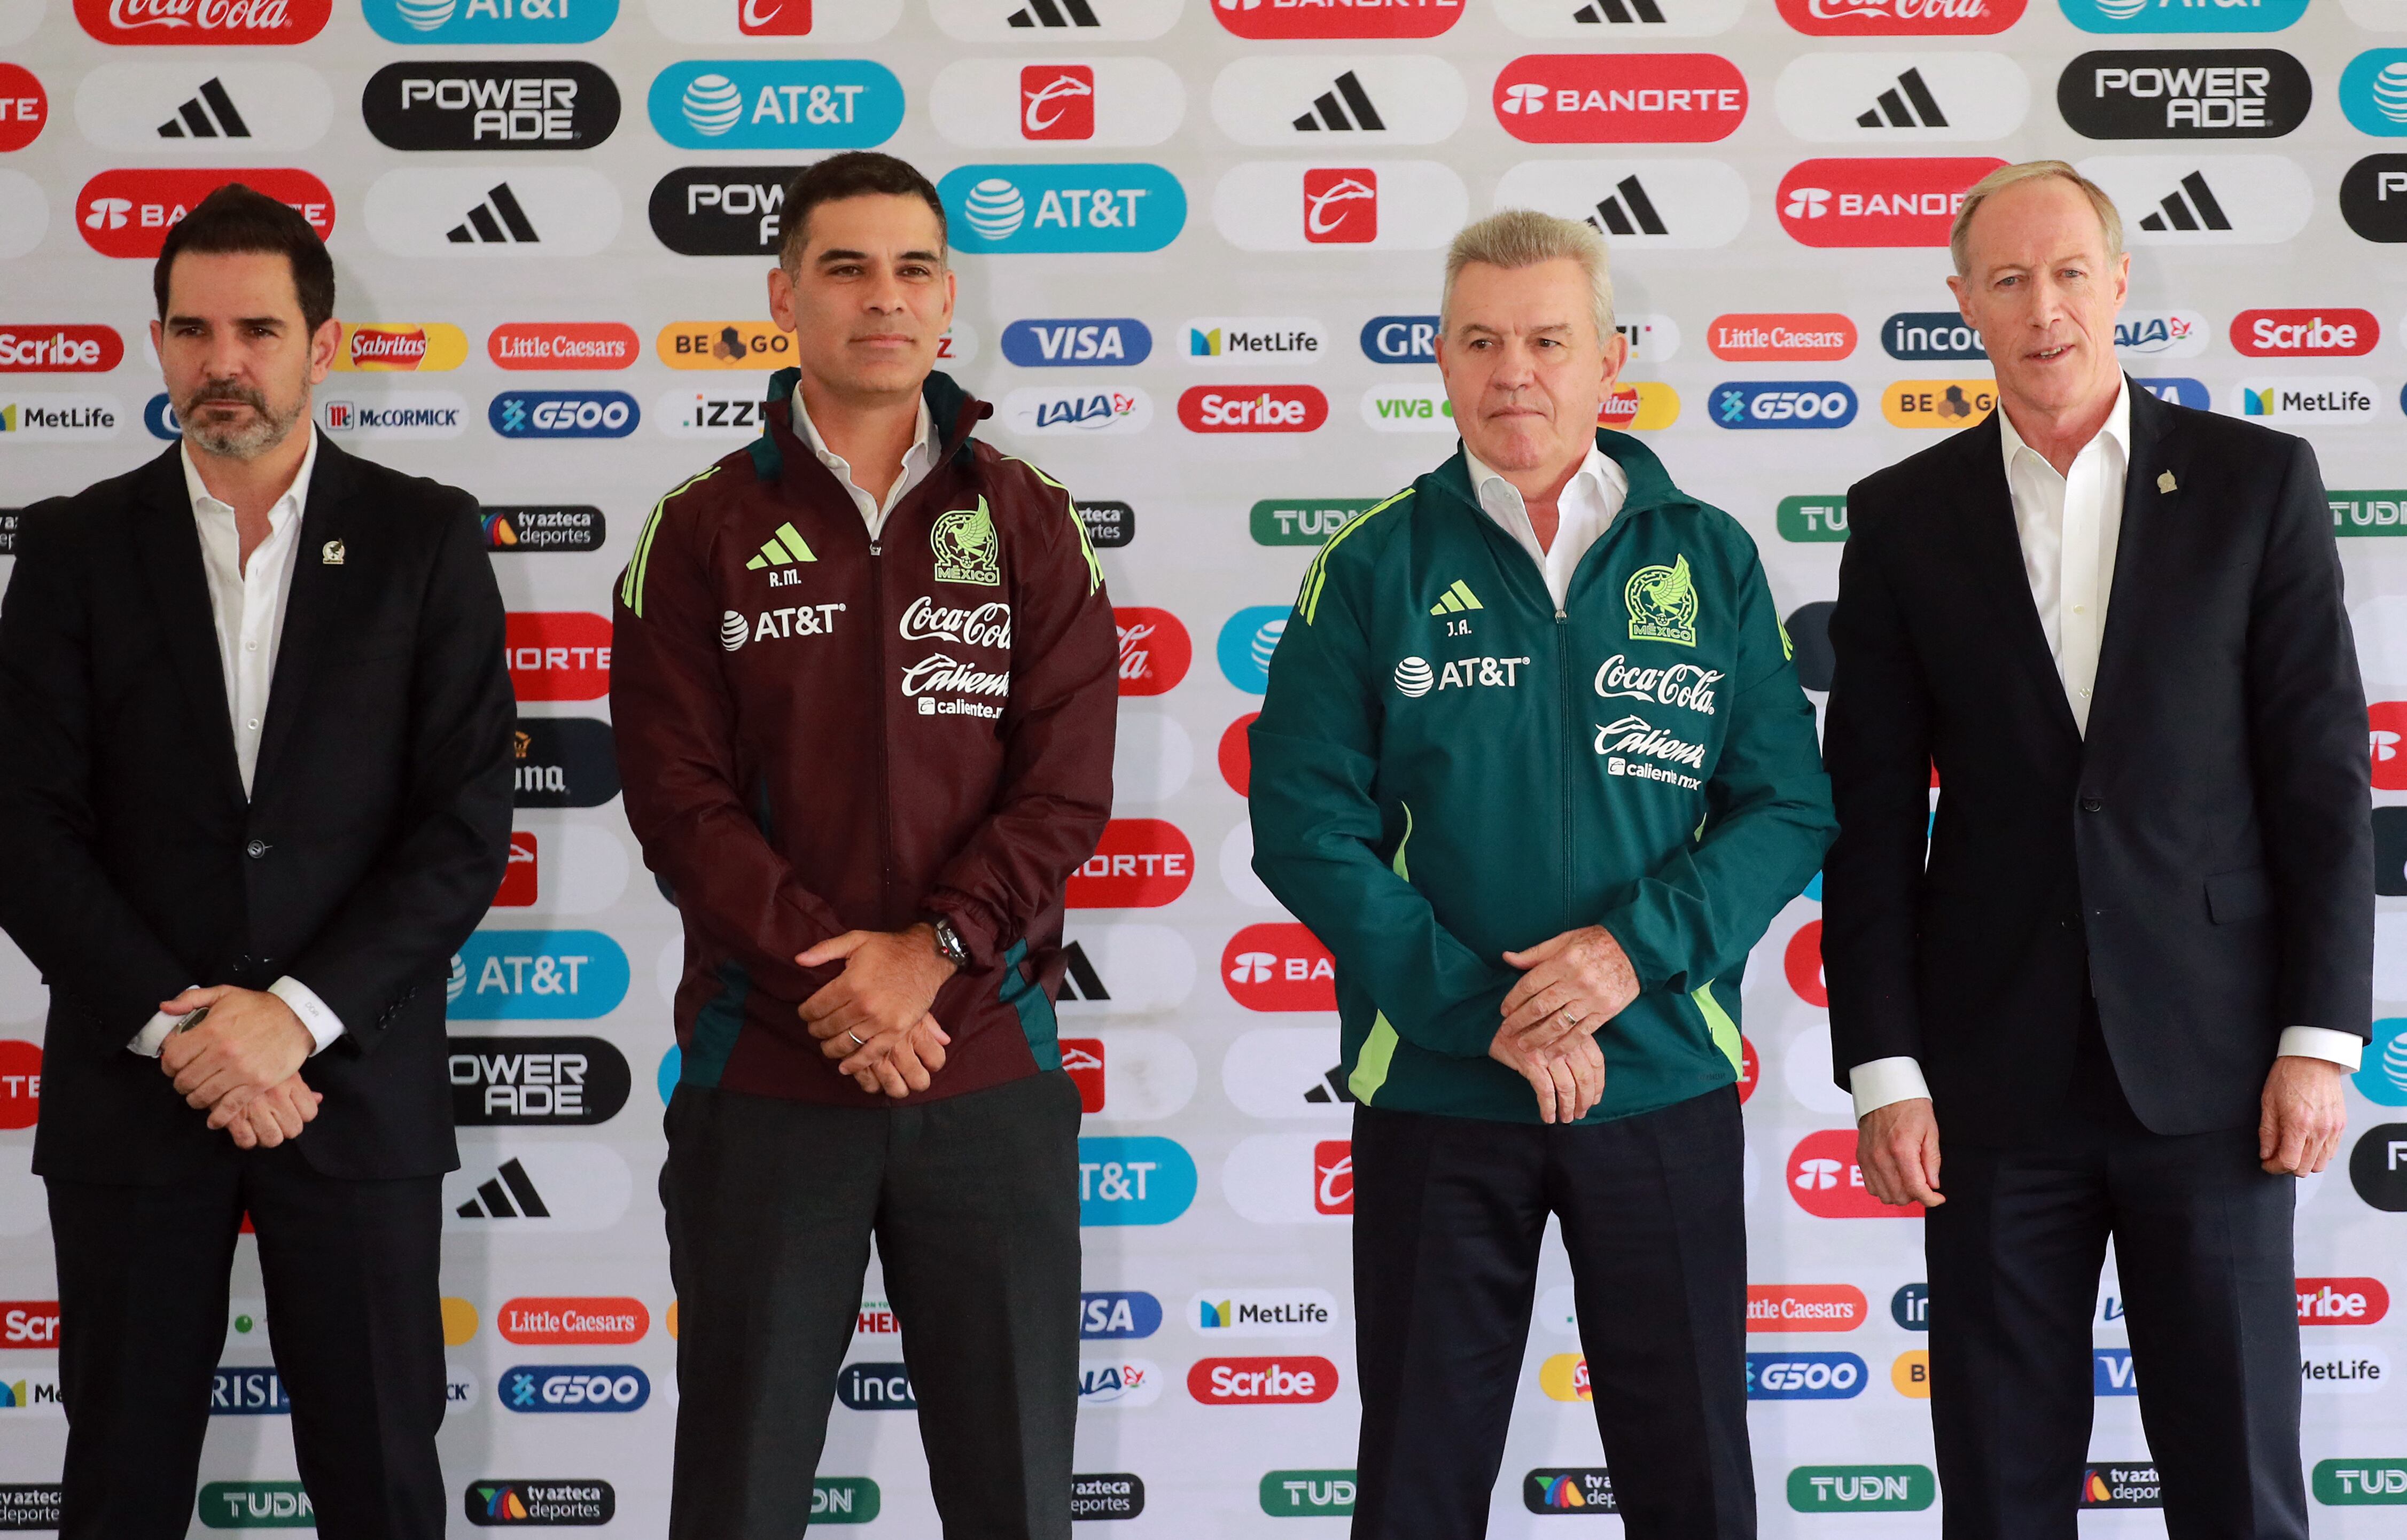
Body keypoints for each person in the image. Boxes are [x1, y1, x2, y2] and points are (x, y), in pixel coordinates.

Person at [1249, 209, 1836, 1539]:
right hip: (1443, 1089)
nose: (1517, 369)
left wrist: (1627, 959)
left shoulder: (1708, 554)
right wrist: (1487, 1010)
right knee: (1416, 1482)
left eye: (1549, 339)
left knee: (1692, 1480)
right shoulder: (1371, 566)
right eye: (1483, 340)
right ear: (1443, 363)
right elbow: (1303, 823)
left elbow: (1788, 804)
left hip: (1661, 1081)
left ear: (1610, 358)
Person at [1822, 160, 2370, 1539]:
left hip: (2220, 1070)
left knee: (2237, 1479)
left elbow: (2320, 781)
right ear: (1962, 306)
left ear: (2121, 284)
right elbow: (1871, 815)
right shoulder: (1900, 514)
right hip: (1991, 1084)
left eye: (2069, 272)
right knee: (2001, 1491)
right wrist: (1884, 1067)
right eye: (2006, 280)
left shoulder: (2257, 483)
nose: (2043, 306)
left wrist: (2319, 1036)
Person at [610, 151, 1118, 1540]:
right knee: (740, 1494)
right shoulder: (699, 527)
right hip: (769, 1073)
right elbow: (678, 802)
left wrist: (935, 955)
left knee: (1015, 1498)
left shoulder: (1030, 520)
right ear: (784, 296)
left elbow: (1063, 790)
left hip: (987, 1066)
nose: (880, 298)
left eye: (910, 269)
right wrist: (847, 985)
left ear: (948, 300)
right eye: (845, 267)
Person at [0, 185, 517, 1539]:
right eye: (193, 329)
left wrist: (287, 1021)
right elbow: (22, 825)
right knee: (117, 1475)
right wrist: (185, 1031)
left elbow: (461, 829)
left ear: (322, 344)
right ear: (157, 342)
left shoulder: (425, 536)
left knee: (386, 1479)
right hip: (134, 1091)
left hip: (354, 1086)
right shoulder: (69, 545)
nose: (223, 361)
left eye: (258, 329)